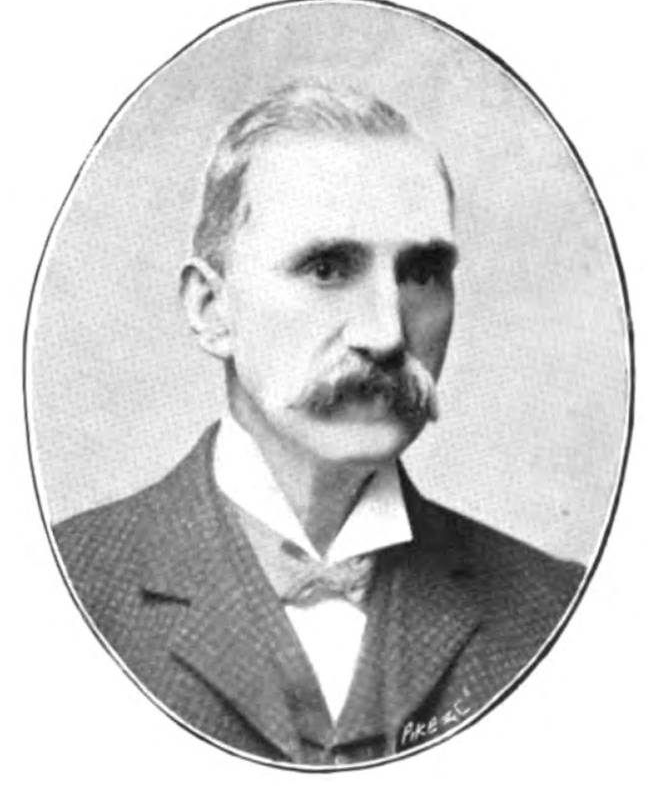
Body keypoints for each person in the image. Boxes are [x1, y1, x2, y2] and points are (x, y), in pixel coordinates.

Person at [54, 81, 584, 767]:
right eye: (328, 268)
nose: (386, 333)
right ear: (211, 309)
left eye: (422, 273)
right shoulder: (56, 591)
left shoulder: (555, 609)